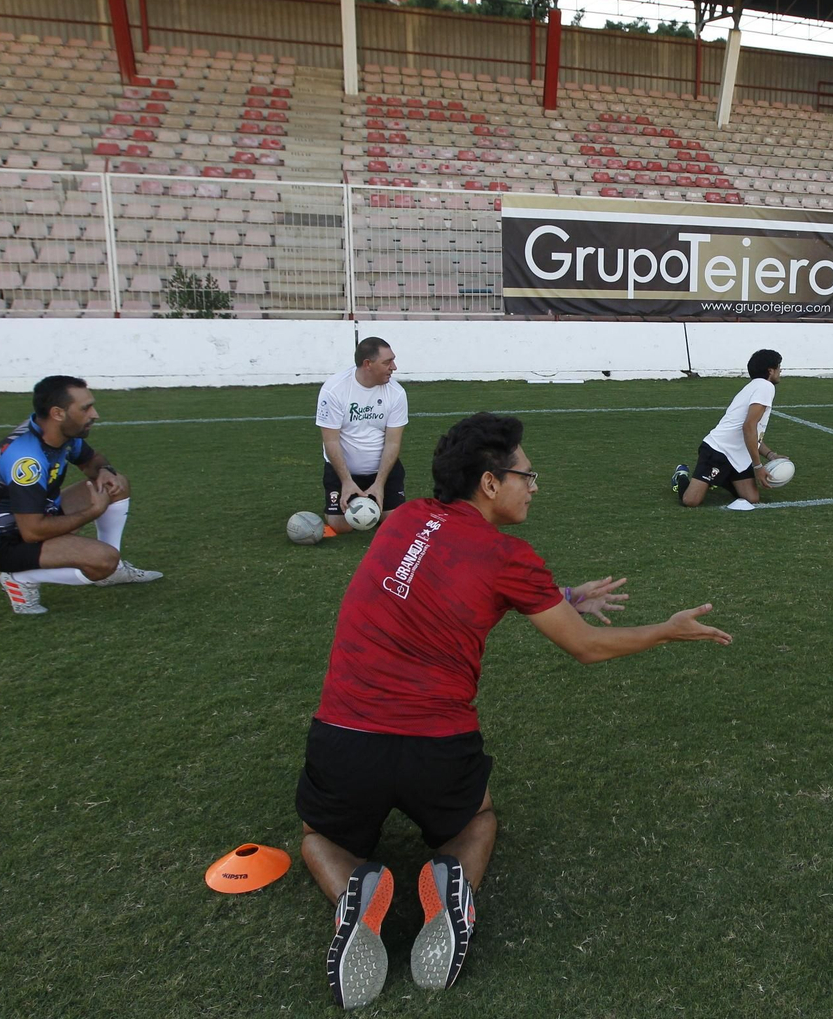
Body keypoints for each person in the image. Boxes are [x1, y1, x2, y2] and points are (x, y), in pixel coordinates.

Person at [297, 412, 731, 1009]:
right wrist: (666, 630)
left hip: (345, 738)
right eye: (527, 474)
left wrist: (566, 598)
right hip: (437, 748)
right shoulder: (509, 556)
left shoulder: (403, 519)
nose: (533, 486)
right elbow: (585, 646)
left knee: (320, 836)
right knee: (476, 822)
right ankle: (452, 885)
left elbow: (440, 579)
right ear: (490, 483)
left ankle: (355, 889)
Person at [0, 375, 161, 616]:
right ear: (58, 413)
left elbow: (92, 460)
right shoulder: (26, 457)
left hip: (37, 516)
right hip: (4, 541)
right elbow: (33, 531)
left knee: (117, 483)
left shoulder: (62, 436)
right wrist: (92, 511)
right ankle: (19, 578)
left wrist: (104, 471)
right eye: (85, 408)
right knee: (102, 560)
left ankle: (112, 571)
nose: (95, 414)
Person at [671, 349, 789, 511]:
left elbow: (753, 432)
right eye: (779, 367)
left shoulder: (755, 386)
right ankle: (681, 476)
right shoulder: (765, 387)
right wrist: (758, 466)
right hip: (718, 450)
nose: (780, 370)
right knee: (691, 501)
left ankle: (720, 477)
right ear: (770, 370)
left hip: (738, 457)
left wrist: (771, 455)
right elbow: (748, 427)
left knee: (751, 499)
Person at [317, 337, 407, 537]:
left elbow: (393, 442)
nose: (394, 367)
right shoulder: (334, 389)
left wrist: (380, 483)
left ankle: (375, 502)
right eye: (387, 362)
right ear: (367, 364)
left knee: (394, 523)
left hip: (383, 471)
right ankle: (357, 500)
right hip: (343, 472)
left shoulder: (397, 393)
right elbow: (330, 440)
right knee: (342, 526)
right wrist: (346, 481)